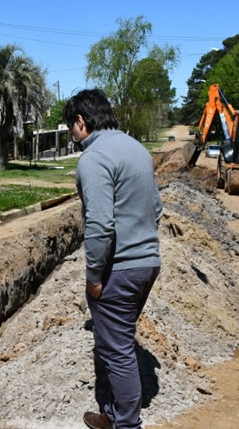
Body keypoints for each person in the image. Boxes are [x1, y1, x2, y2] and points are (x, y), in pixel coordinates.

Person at [63, 90, 162, 429]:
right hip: (148, 262)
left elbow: (100, 224)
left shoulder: (94, 158)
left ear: (81, 121)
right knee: (117, 343)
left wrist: (94, 275)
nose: (72, 136)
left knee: (118, 351)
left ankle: (127, 425)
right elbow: (157, 208)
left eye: (71, 128)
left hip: (119, 269)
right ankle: (113, 413)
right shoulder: (137, 150)